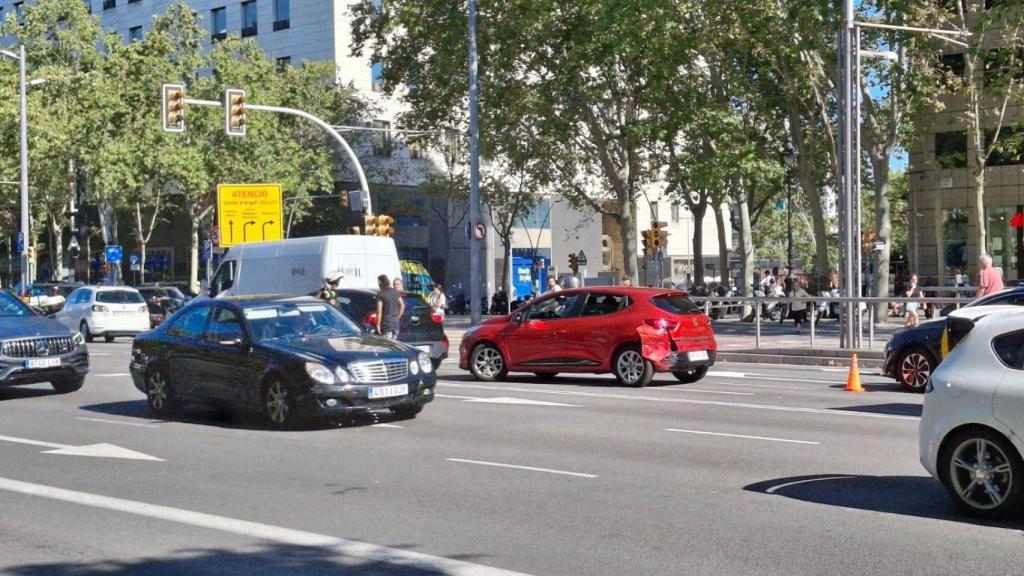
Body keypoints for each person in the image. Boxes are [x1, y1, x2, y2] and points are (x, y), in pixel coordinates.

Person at [375, 274, 405, 339]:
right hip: (395, 324)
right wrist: (398, 316)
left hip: (387, 325)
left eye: (378, 282)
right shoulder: (395, 292)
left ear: (380, 282)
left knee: (388, 345)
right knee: (395, 345)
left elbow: (379, 311)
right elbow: (402, 305)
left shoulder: (380, 294)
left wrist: (378, 325)